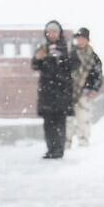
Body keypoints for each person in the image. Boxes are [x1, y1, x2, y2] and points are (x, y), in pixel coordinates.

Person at [32, 21, 79, 159]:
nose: (51, 34)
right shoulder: (42, 48)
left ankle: (59, 150)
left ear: (59, 33)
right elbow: (35, 65)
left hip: (62, 90)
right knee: (48, 123)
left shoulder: (68, 47)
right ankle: (50, 149)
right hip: (47, 91)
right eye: (49, 32)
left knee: (60, 121)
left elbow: (76, 64)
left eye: (54, 32)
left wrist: (62, 58)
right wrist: (38, 58)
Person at [69, 28, 104, 148]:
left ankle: (83, 144)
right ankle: (66, 144)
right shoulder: (70, 54)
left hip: (86, 93)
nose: (80, 41)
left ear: (87, 40)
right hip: (70, 92)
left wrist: (94, 89)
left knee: (83, 119)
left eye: (82, 38)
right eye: (78, 38)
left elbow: (98, 75)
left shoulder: (94, 57)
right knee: (68, 120)